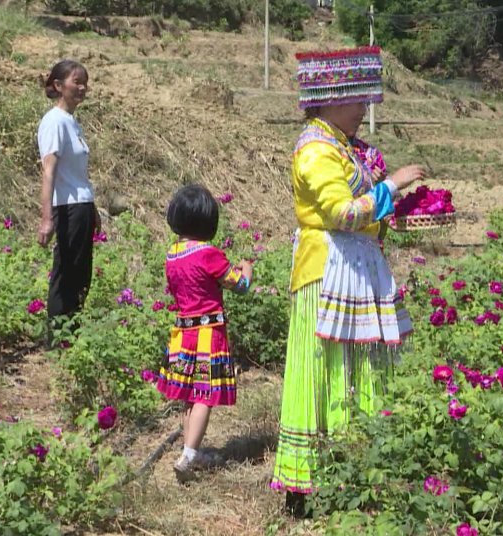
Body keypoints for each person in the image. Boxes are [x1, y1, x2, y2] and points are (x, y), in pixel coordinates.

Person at [270, 46, 426, 515]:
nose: (363, 110)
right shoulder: (316, 150)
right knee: (325, 367)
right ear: (330, 99)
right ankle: (314, 480)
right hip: (327, 269)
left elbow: (367, 210)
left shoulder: (344, 148)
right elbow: (341, 213)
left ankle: (361, 467)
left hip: (357, 266)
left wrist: (401, 206)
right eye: (358, 100)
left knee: (363, 364)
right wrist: (392, 186)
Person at [157, 184, 253, 482]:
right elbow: (240, 285)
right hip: (208, 336)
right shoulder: (209, 254)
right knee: (204, 395)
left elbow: (175, 289)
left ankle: (191, 450)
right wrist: (247, 269)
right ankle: (188, 456)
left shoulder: (173, 254)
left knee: (188, 395)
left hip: (183, 334)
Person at [37, 59, 98, 329]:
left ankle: (73, 330)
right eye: (77, 82)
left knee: (81, 272)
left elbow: (78, 175)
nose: (82, 87)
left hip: (82, 206)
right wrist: (46, 217)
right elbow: (48, 172)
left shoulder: (72, 122)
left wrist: (92, 208)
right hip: (68, 208)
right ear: (59, 86)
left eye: (85, 82)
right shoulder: (54, 122)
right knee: (66, 271)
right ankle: (58, 334)